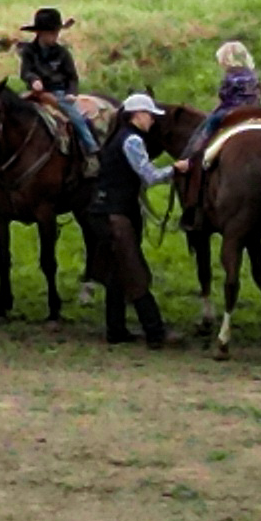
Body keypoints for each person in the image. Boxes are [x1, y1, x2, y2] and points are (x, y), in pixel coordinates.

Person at [80, 89, 173, 346]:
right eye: (150, 115)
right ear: (137, 115)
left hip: (102, 211)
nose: (152, 120)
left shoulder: (116, 138)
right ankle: (155, 332)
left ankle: (116, 330)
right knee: (134, 271)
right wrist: (176, 169)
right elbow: (150, 176)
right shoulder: (132, 141)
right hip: (116, 214)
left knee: (115, 273)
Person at [19, 7, 95, 171]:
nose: (55, 36)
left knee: (76, 117)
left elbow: (72, 77)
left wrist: (71, 93)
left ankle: (91, 149)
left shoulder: (62, 53)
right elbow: (25, 71)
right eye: (51, 33)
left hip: (58, 93)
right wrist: (33, 80)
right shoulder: (29, 52)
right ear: (40, 33)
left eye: (56, 32)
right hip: (36, 93)